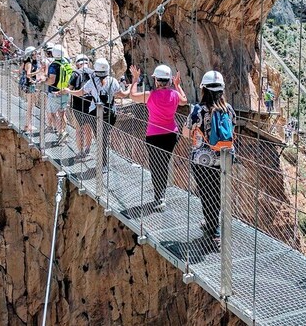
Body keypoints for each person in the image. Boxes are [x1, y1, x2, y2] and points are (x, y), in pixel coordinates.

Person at [185, 70, 235, 248]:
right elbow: (232, 131)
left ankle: (214, 232)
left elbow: (185, 132)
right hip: (223, 158)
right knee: (217, 193)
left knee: (206, 194)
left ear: (204, 90)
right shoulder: (228, 109)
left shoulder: (198, 110)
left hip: (201, 160)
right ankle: (212, 224)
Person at [129, 64, 188, 211]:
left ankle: (159, 196)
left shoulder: (150, 95)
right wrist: (177, 85)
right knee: (164, 162)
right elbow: (184, 101)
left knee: (156, 165)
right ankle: (162, 194)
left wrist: (135, 79)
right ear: (169, 81)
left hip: (154, 134)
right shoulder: (174, 94)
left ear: (156, 81)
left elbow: (132, 96)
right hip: (171, 134)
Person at [63, 58, 128, 171]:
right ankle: (103, 163)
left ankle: (102, 163)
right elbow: (122, 95)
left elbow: (79, 93)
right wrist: (132, 86)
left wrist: (68, 91)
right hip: (110, 114)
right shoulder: (113, 81)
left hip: (95, 114)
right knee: (103, 136)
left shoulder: (92, 82)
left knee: (100, 137)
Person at [68, 54, 94, 159]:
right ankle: (88, 149)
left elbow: (70, 88)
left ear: (78, 64)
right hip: (91, 104)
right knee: (88, 128)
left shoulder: (75, 73)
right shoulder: (94, 73)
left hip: (78, 105)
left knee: (79, 129)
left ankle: (80, 151)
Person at [45, 44, 71, 140]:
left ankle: (61, 132)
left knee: (52, 114)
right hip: (65, 92)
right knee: (62, 113)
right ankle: (63, 132)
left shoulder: (54, 65)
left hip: (55, 94)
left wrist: (44, 80)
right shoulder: (67, 63)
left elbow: (51, 80)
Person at [18, 46, 39, 132]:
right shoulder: (29, 63)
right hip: (30, 85)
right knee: (30, 106)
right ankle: (28, 126)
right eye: (34, 53)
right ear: (31, 54)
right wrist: (38, 71)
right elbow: (28, 74)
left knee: (30, 105)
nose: (36, 55)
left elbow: (19, 71)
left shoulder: (25, 62)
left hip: (27, 85)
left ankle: (28, 125)